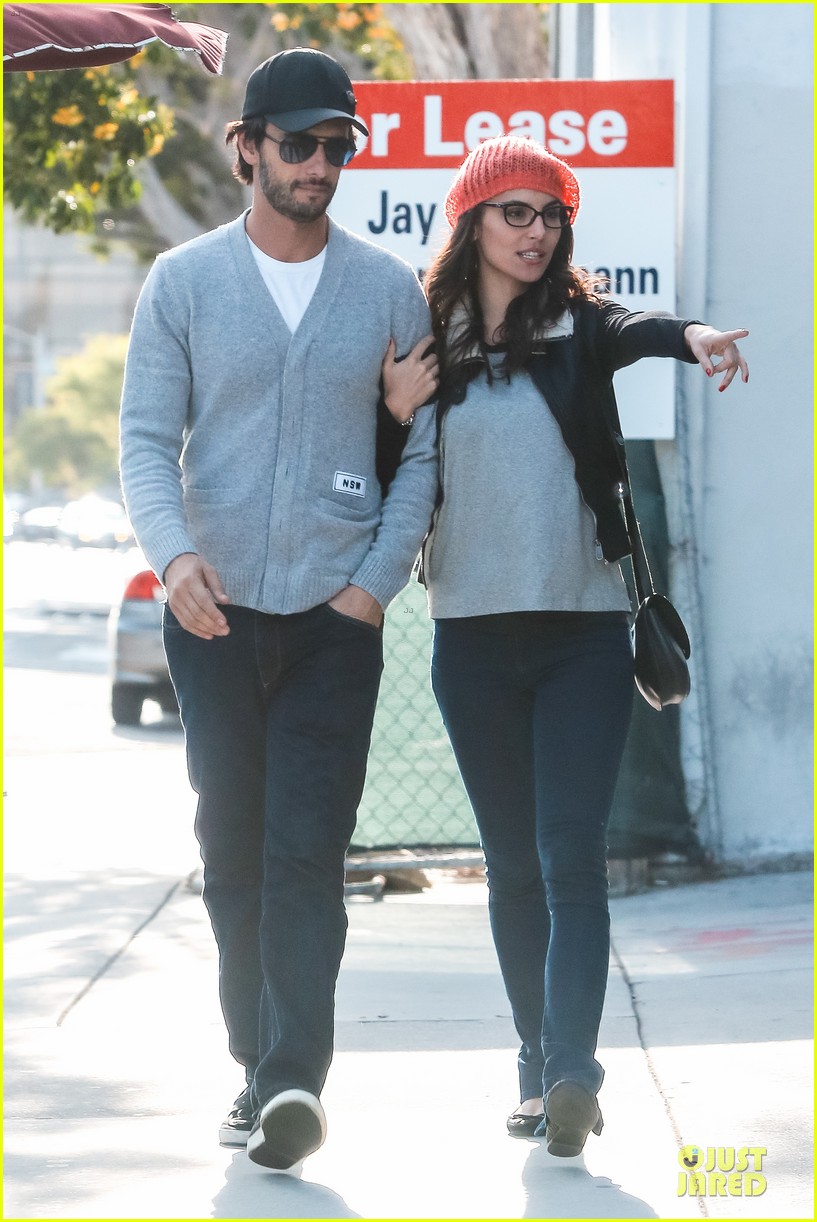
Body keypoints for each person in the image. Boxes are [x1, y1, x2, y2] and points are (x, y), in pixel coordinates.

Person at [389, 135, 749, 1158]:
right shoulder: (425, 339)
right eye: (514, 212)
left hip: (585, 639)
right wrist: (388, 411)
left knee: (569, 858)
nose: (536, 230)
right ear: (471, 222)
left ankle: (573, 1072)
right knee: (510, 868)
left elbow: (638, 325)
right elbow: (383, 457)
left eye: (550, 215)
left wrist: (696, 334)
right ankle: (532, 1067)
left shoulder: (580, 330)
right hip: (469, 641)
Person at [119, 47, 438, 1173]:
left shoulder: (387, 288)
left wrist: (370, 586)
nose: (319, 163)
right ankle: (257, 1064)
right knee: (232, 849)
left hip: (331, 623)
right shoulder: (185, 282)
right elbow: (148, 443)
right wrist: (175, 557)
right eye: (297, 142)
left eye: (337, 145)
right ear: (247, 145)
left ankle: (295, 1078)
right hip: (210, 621)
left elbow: (420, 455)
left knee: (309, 852)